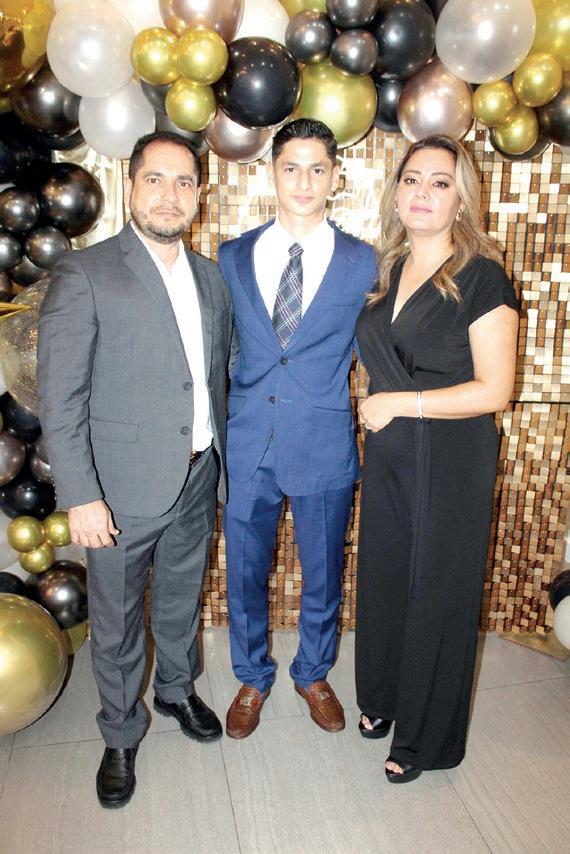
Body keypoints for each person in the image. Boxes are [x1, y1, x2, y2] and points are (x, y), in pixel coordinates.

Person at [37, 131, 236, 808]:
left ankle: (177, 691)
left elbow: (212, 377)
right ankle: (120, 732)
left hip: (198, 474)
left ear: (199, 195)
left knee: (181, 600)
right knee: (118, 619)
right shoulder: (86, 273)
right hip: (118, 492)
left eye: (184, 182)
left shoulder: (210, 278)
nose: (169, 195)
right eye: (155, 179)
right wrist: (82, 496)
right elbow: (60, 398)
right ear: (130, 188)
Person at [354, 135, 519, 783]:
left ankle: (424, 739)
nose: (423, 192)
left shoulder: (483, 277)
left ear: (461, 200)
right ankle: (384, 696)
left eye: (440, 182)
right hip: (391, 456)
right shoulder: (386, 271)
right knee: (387, 576)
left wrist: (399, 402)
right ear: (396, 194)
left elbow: (494, 390)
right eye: (412, 179)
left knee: (438, 593)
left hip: (451, 457)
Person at [218, 118, 377, 739]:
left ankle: (313, 672)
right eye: (291, 167)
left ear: (334, 177)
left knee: (323, 572)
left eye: (317, 169)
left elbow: (378, 347)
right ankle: (251, 677)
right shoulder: (233, 256)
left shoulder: (363, 262)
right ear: (272, 173)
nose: (304, 181)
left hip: (324, 442)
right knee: (243, 572)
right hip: (248, 440)